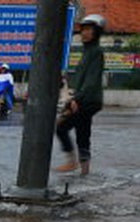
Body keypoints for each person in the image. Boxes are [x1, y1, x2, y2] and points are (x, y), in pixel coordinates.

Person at [55, 13, 105, 175]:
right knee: (83, 132)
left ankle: (72, 163)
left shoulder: (96, 52)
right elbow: (81, 79)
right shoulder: (87, 52)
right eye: (83, 29)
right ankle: (85, 171)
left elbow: (91, 80)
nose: (85, 33)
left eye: (89, 29)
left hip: (87, 100)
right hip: (85, 99)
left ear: (96, 32)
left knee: (62, 127)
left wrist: (76, 99)